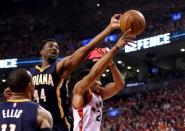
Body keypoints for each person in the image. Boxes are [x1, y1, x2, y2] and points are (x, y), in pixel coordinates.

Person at [30, 14, 122, 131]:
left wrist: (110, 28)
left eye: (57, 47)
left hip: (58, 125)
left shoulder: (60, 67)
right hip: (37, 124)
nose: (54, 49)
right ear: (42, 51)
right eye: (51, 46)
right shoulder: (30, 73)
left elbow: (86, 49)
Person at [72, 30, 135, 131]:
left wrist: (111, 65)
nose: (99, 78)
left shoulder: (99, 94)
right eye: (96, 78)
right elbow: (94, 74)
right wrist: (115, 48)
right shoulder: (80, 91)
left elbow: (119, 85)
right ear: (83, 80)